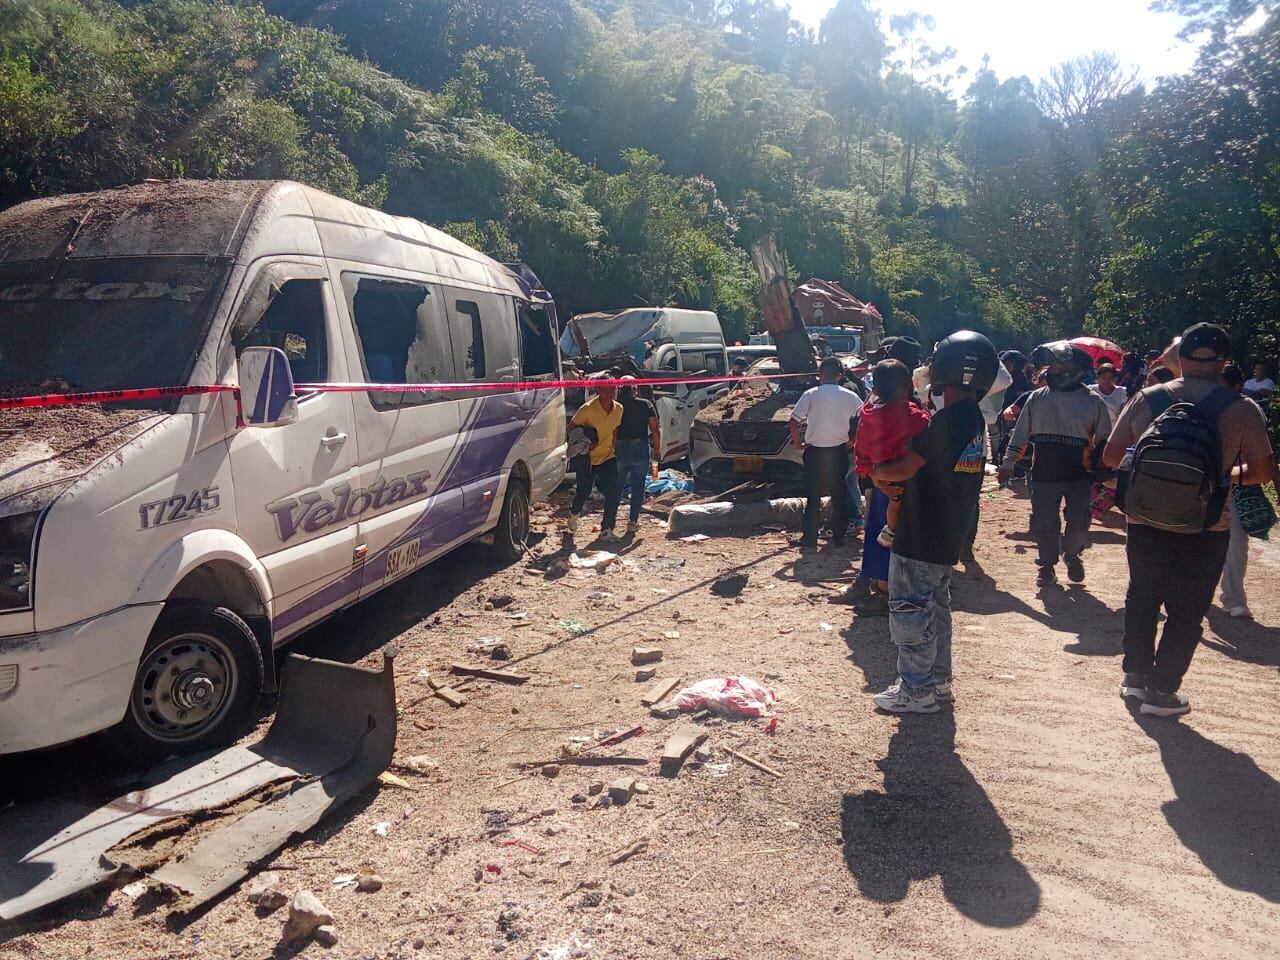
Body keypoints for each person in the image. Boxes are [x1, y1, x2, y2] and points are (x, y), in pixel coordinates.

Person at [1103, 323, 1276, 717]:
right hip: (1207, 523)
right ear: (1224, 362)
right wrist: (1220, 476)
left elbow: (1111, 458)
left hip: (1146, 517)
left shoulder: (1147, 399)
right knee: (1188, 607)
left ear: (1179, 360)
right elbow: (1263, 472)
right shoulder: (1242, 408)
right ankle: (1162, 693)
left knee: (1143, 595)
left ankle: (1134, 677)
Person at [869, 331, 998, 714]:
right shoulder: (973, 418)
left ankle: (916, 690)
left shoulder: (949, 421)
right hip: (947, 532)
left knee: (910, 611)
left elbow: (907, 466)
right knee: (937, 609)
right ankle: (938, 681)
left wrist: (877, 473)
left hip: (921, 533)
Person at [999, 342, 1112, 587]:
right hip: (1043, 472)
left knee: (1079, 520)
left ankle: (1072, 555)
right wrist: (1008, 463)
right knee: (1045, 522)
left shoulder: (1094, 403)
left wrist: (1107, 471)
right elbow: (1020, 435)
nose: (1049, 373)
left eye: (1055, 369)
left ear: (1073, 371)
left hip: (1080, 475)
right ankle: (1047, 566)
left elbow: (1104, 444)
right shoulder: (1036, 398)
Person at [853, 360, 931, 548]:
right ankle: (890, 532)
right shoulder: (904, 412)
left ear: (876, 389)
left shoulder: (867, 414)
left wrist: (866, 468)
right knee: (899, 500)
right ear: (907, 385)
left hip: (878, 466)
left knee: (893, 500)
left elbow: (860, 444)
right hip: (899, 465)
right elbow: (921, 422)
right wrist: (927, 412)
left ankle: (889, 531)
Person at [1217, 365, 1275, 618]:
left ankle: (1233, 598)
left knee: (1236, 541)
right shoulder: (1203, 405)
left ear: (1237, 386)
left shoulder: (1250, 411)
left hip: (1238, 485)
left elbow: (1266, 453)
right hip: (1204, 483)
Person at [789, 356, 863, 551]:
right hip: (839, 452)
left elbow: (794, 421)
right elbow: (865, 416)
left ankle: (809, 538)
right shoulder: (850, 396)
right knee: (838, 495)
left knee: (812, 497)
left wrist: (798, 442)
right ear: (839, 376)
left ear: (819, 375)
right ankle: (838, 538)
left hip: (814, 452)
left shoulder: (811, 394)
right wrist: (854, 439)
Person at [567, 376, 624, 541]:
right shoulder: (588, 409)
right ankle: (574, 512)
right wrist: (583, 441)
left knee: (614, 492)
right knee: (583, 492)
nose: (609, 394)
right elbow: (570, 429)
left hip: (608, 456)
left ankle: (607, 529)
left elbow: (614, 429)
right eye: (605, 390)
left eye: (612, 389)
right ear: (598, 391)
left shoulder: (619, 408)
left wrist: (613, 448)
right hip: (588, 458)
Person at [615, 376, 661, 536]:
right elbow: (655, 429)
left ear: (620, 388)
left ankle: (610, 523)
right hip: (640, 447)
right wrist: (657, 449)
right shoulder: (645, 404)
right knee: (638, 487)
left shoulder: (615, 406)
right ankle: (633, 522)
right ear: (635, 389)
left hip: (619, 448)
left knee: (616, 486)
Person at [1089, 362, 1128, 428]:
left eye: (1110, 377)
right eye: (1104, 377)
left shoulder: (1121, 392)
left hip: (1112, 429)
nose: (1107, 380)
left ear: (1115, 378)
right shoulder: (1090, 390)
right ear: (1098, 377)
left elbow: (1123, 416)